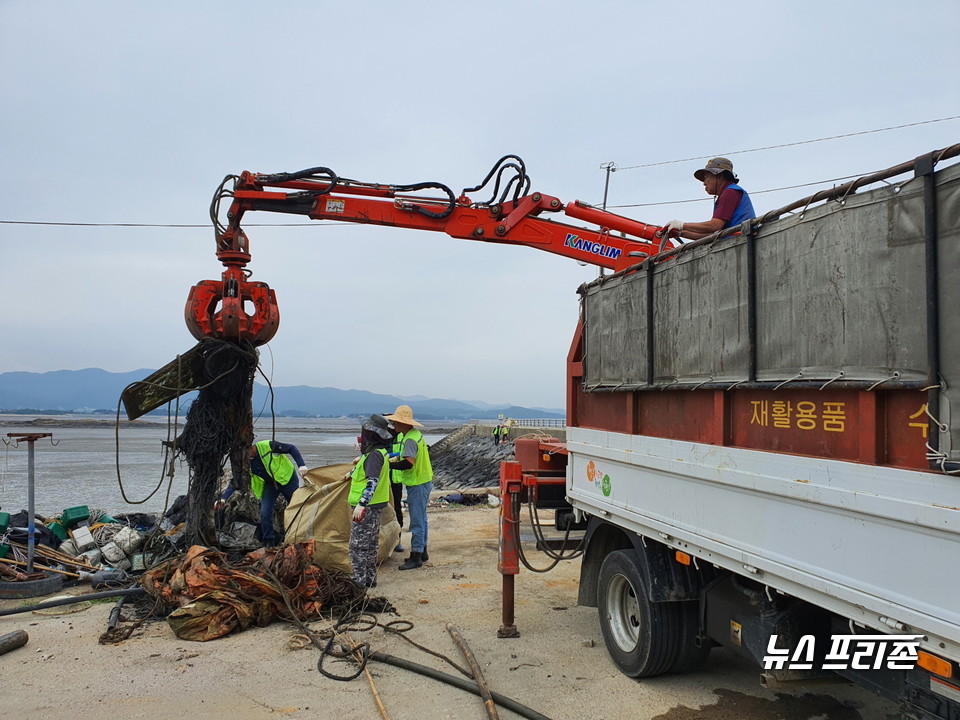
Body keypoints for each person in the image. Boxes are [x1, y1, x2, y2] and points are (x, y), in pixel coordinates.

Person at [222, 438, 308, 547]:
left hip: (287, 479)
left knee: (296, 508)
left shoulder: (267, 445)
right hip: (270, 484)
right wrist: (223, 498)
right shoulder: (246, 463)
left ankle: (299, 536)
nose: (245, 456)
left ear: (251, 447)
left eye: (247, 453)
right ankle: (269, 541)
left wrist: (301, 465)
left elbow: (291, 448)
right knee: (265, 512)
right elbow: (236, 481)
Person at [384, 404, 433, 570]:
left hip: (418, 483)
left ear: (405, 423)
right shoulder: (413, 435)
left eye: (396, 423)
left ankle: (416, 556)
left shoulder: (410, 439)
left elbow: (408, 463)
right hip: (424, 481)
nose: (394, 425)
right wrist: (389, 456)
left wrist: (388, 466)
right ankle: (423, 551)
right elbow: (404, 454)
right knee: (422, 519)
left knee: (417, 521)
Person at [348, 415, 394, 589]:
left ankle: (358, 583)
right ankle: (369, 579)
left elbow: (372, 481)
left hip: (367, 508)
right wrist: (351, 473)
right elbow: (365, 471)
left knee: (358, 546)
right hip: (376, 505)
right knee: (371, 544)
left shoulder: (374, 455)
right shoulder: (379, 452)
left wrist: (362, 504)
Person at [662, 157, 756, 242]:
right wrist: (680, 233)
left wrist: (682, 225)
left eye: (706, 177)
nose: (704, 183)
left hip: (741, 242)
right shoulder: (730, 192)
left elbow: (714, 226)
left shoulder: (730, 192)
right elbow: (711, 234)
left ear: (719, 176)